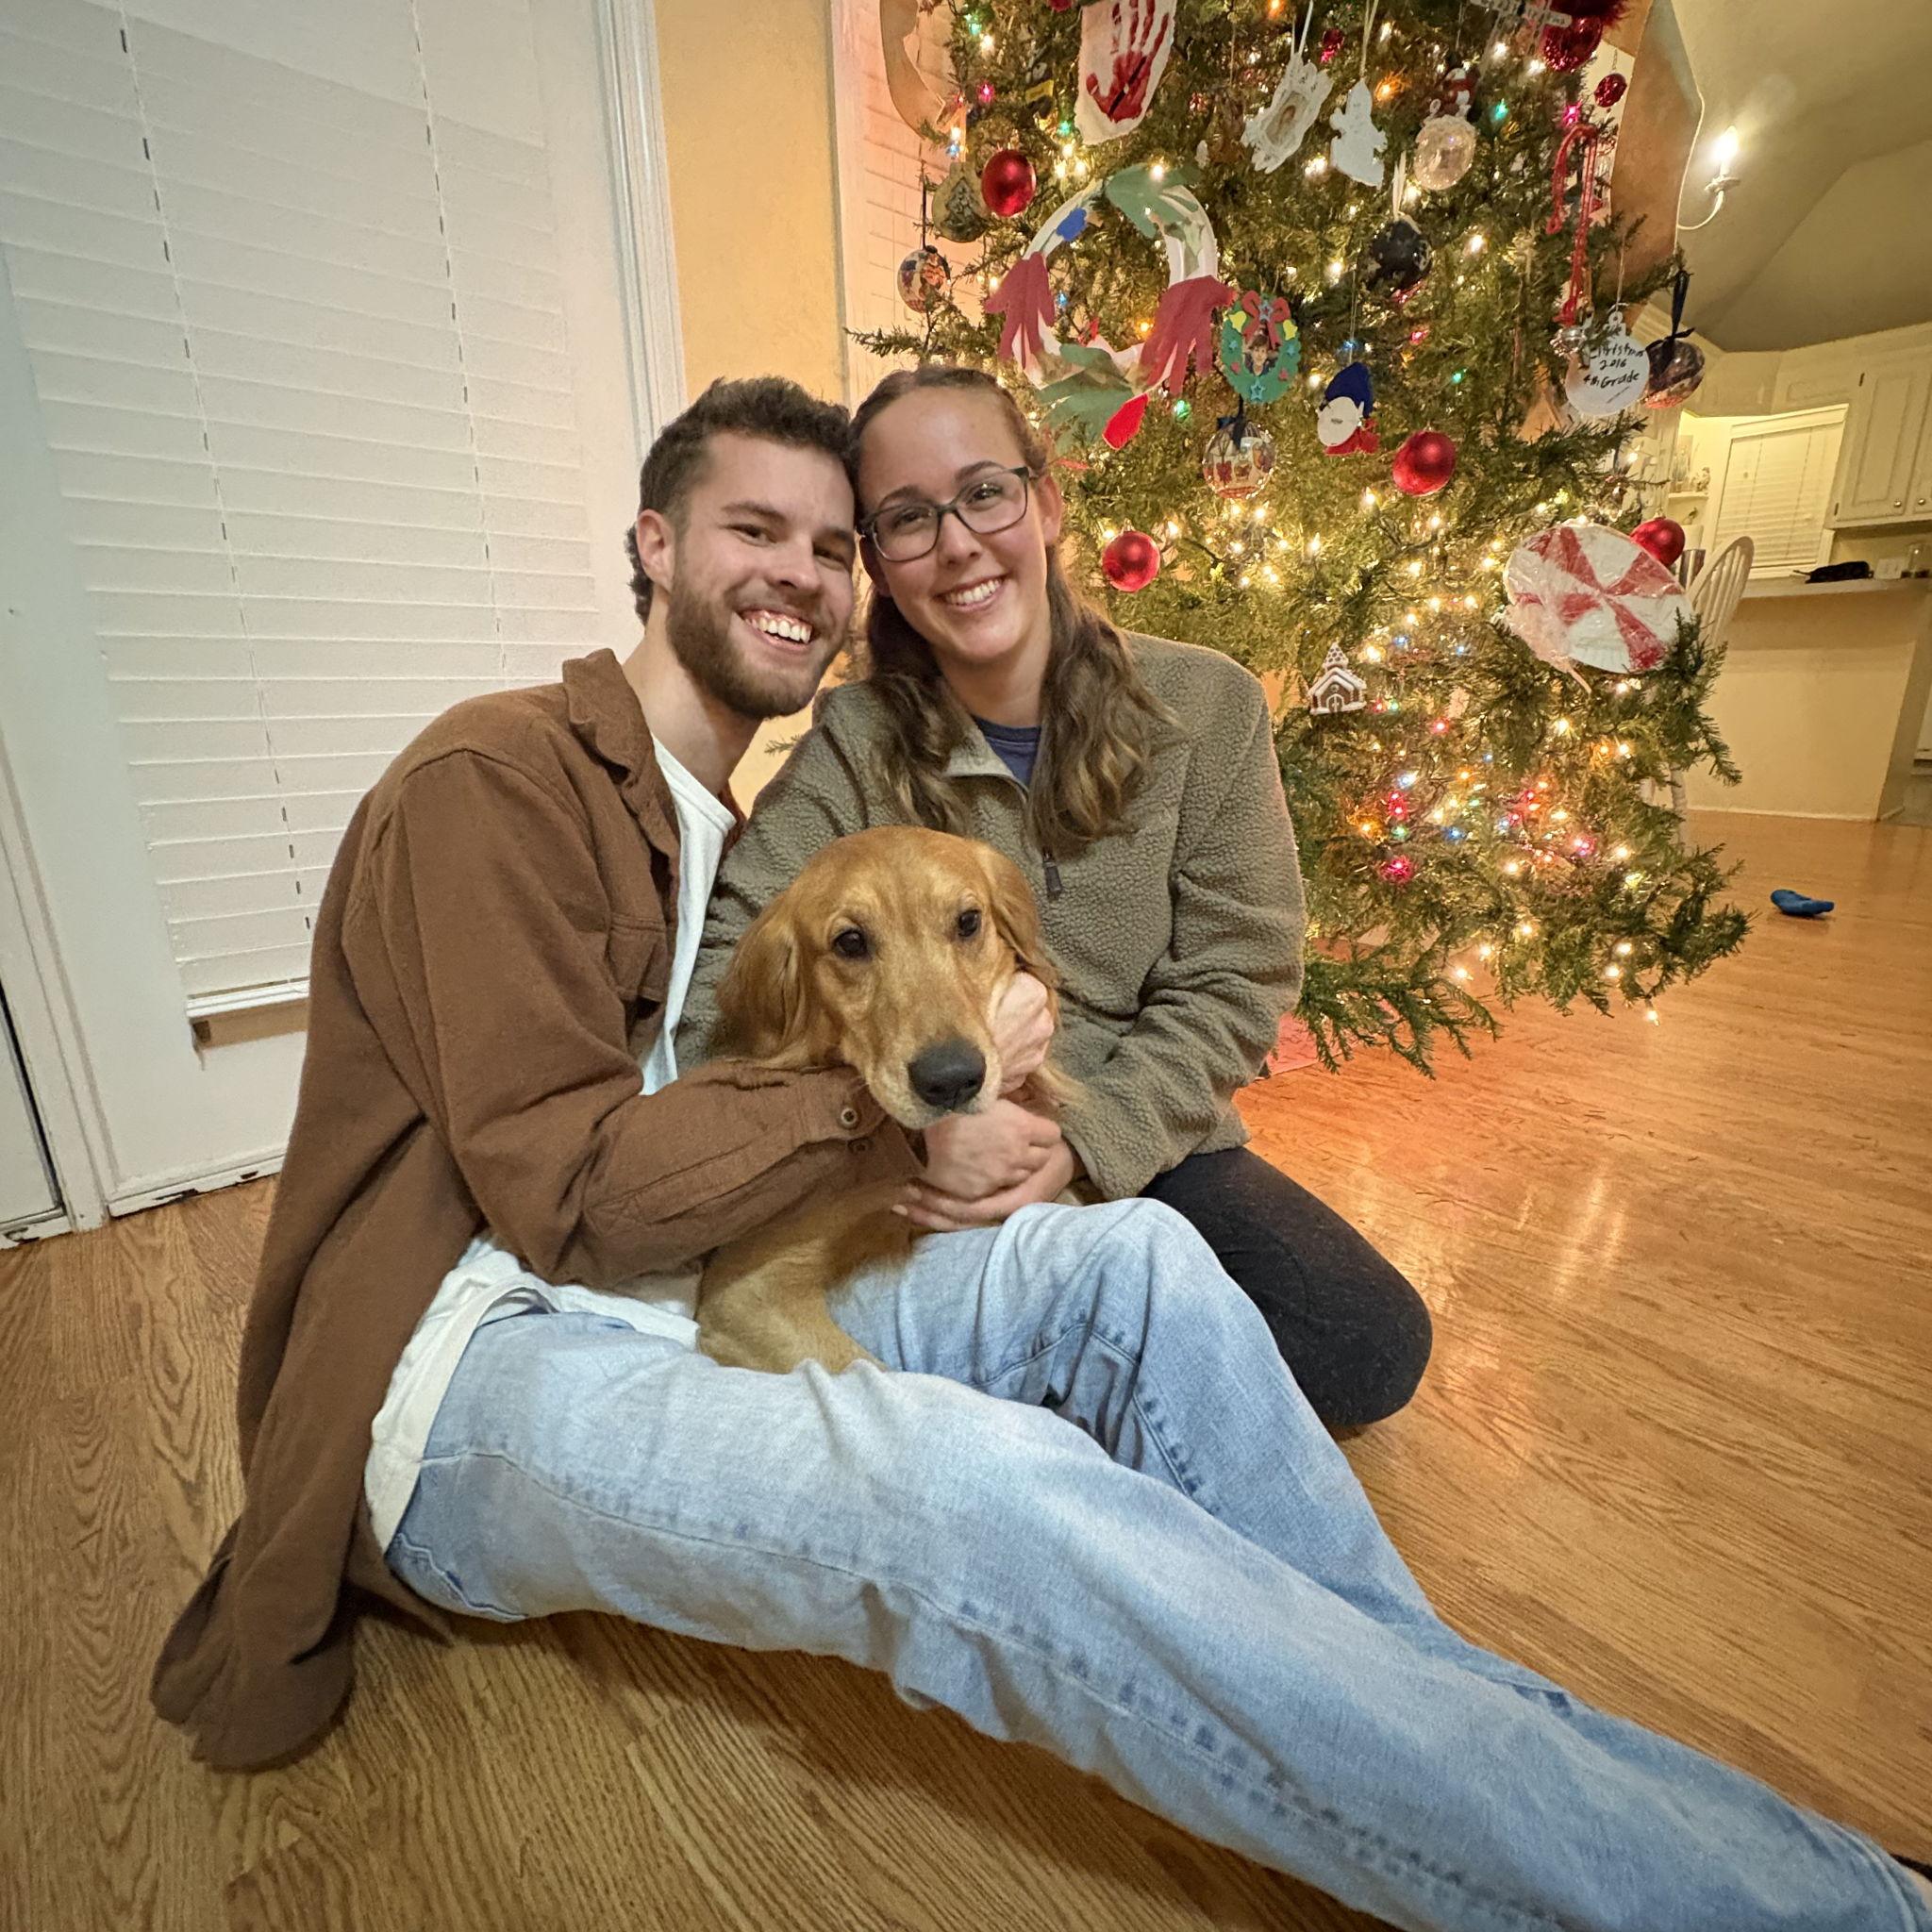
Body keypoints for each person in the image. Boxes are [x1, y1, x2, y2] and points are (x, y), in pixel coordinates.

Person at [150, 376, 1931, 1931]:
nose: (819, 565)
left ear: (1027, 512)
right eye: (766, 527)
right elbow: (605, 1172)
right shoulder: (525, 776)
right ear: (652, 545)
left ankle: (1465, 1770)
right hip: (477, 1356)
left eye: (832, 538)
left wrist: (1053, 1120)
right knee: (983, 1490)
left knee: (1159, 1264)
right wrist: (924, 1078)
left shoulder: (737, 796)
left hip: (755, 1244)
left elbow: (1207, 982)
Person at [678, 362, 1430, 1430]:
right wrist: (898, 1131)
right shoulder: (855, 744)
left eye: (983, 491)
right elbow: (725, 988)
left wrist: (1086, 1143)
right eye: (904, 518)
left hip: (1140, 1140)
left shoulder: (1206, 705)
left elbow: (1239, 974)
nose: (955, 544)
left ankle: (1032, 1383)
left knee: (1365, 1343)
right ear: (881, 567)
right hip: (911, 1147)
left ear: (1045, 498)